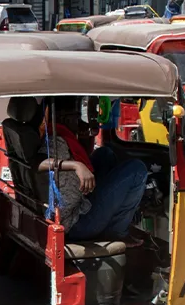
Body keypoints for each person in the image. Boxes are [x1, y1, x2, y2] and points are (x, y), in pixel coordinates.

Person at [33, 99, 148, 241]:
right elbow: (37, 163)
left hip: (79, 204)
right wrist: (76, 166)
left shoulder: (61, 135)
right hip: (76, 222)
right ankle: (117, 234)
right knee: (137, 170)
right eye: (76, 117)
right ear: (64, 118)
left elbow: (82, 154)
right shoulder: (55, 141)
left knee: (105, 154)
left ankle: (110, 221)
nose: (79, 121)